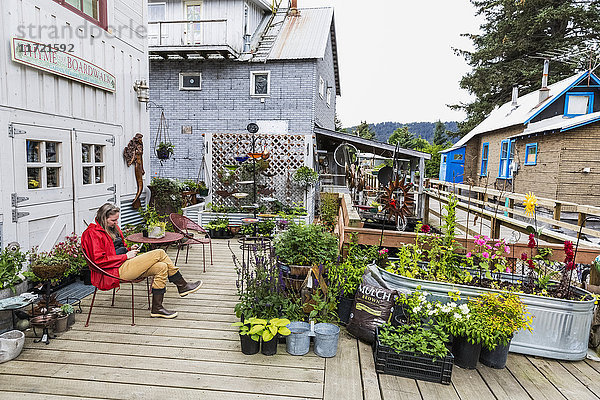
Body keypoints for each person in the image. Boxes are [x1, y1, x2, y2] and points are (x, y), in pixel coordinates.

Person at [81, 203, 202, 319]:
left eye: (117, 220)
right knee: (159, 253)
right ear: (103, 218)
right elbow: (99, 261)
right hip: (112, 272)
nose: (116, 223)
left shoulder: (112, 228)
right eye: (113, 220)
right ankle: (182, 285)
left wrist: (129, 250)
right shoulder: (92, 233)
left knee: (161, 267)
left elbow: (115, 249)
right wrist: (125, 256)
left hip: (122, 264)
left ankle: (157, 308)